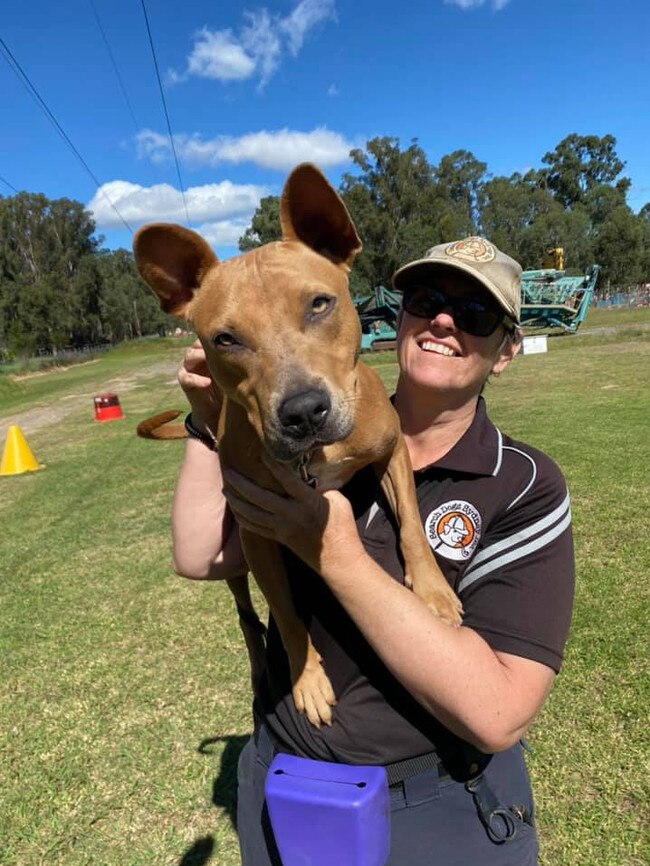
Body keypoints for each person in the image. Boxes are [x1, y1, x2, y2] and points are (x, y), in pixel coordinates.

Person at [171, 237, 575, 866]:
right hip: (286, 771)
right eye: (426, 300)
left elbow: (498, 714)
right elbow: (201, 557)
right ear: (396, 318)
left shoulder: (521, 483)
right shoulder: (300, 432)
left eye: (474, 316)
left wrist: (337, 551)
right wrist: (209, 417)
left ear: (507, 350)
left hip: (433, 798)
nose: (444, 321)